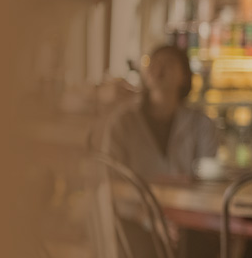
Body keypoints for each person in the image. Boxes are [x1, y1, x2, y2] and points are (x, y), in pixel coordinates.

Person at [92, 45, 217, 181]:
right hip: (133, 202)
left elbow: (208, 176)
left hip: (187, 202)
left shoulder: (201, 124)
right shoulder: (123, 121)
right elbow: (109, 176)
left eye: (169, 63)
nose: (159, 70)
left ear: (185, 75)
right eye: (154, 63)